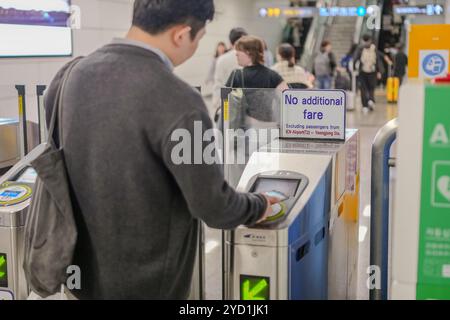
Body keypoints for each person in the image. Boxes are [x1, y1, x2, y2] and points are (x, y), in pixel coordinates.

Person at [44, 0, 279, 300]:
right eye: (199, 38)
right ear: (181, 35)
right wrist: (259, 203)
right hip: (149, 285)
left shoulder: (69, 77)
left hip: (77, 276)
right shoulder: (181, 102)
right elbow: (214, 207)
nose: (196, 47)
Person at [212, 27, 248, 111]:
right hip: (246, 106)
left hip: (227, 104)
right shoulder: (250, 57)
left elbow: (218, 84)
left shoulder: (222, 59)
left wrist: (218, 106)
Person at [354, 34, 385, 112]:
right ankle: (369, 101)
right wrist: (380, 71)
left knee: (366, 88)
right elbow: (378, 61)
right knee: (369, 88)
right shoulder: (372, 48)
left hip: (366, 72)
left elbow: (355, 58)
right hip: (368, 72)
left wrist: (354, 68)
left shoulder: (362, 48)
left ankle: (367, 104)